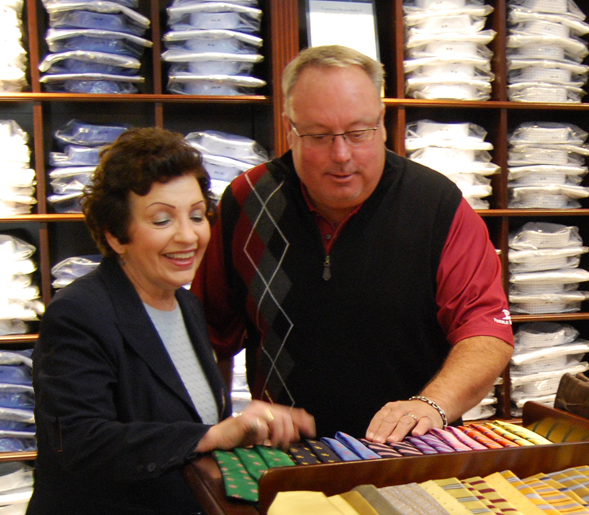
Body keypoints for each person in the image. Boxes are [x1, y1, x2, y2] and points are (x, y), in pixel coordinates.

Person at [191, 45, 513, 444]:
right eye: (319, 136)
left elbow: (485, 330)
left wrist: (432, 404)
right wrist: (212, 431)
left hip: (413, 454)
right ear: (290, 127)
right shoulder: (247, 202)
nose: (341, 154)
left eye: (358, 133)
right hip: (285, 457)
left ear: (382, 123)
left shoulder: (437, 207)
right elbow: (207, 334)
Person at [29, 128, 313, 515]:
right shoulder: (80, 313)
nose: (188, 236)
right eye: (162, 220)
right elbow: (81, 441)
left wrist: (241, 429)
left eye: (197, 216)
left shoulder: (187, 306)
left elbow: (188, 425)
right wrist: (211, 435)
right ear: (115, 234)